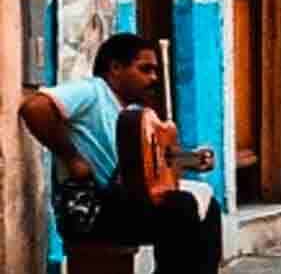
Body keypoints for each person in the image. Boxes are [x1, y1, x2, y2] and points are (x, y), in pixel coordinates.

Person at [18, 33, 223, 273]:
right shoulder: (92, 92)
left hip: (122, 201)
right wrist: (72, 158)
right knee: (180, 208)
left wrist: (188, 160)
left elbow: (150, 167)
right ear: (115, 67)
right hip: (90, 210)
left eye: (155, 71)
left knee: (208, 207)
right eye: (145, 70)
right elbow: (35, 107)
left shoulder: (134, 114)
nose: (153, 78)